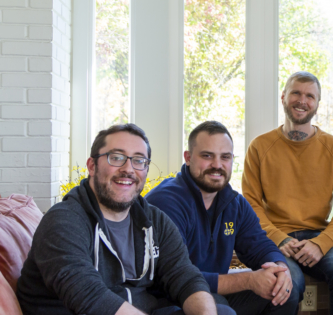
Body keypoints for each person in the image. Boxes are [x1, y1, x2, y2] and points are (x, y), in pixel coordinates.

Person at [15, 123, 233, 315]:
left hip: (141, 308)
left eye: (139, 160)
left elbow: (185, 276)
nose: (128, 169)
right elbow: (90, 299)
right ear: (92, 166)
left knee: (218, 308)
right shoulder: (63, 222)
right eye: (116, 157)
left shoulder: (155, 220)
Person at [146, 121, 298, 315]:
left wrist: (280, 268)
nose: (217, 165)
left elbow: (259, 245)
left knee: (282, 293)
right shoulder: (166, 202)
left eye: (225, 157)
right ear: (188, 157)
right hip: (169, 299)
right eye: (207, 156)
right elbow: (174, 276)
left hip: (213, 290)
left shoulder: (235, 203)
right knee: (220, 308)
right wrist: (249, 280)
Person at [243, 71, 333, 315]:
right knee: (288, 286)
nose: (302, 100)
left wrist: (321, 243)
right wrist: (278, 238)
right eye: (295, 92)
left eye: (309, 96)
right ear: (283, 96)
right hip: (275, 237)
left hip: (318, 235)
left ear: (317, 104)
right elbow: (250, 204)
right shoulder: (260, 147)